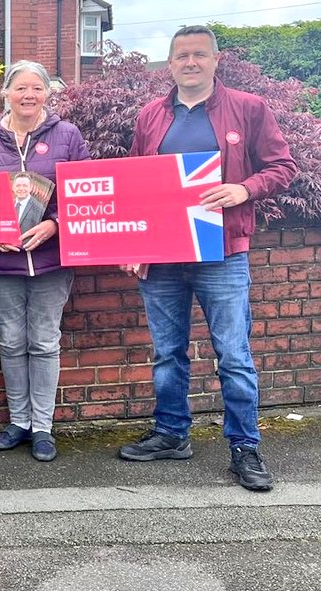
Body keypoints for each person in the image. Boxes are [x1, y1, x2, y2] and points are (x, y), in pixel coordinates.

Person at [118, 26, 296, 491]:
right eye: (182, 56)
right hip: (162, 256)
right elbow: (136, 182)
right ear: (170, 64)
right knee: (167, 354)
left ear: (217, 60)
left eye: (199, 54)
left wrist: (244, 189)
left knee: (233, 355)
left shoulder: (249, 108)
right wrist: (134, 244)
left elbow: (283, 166)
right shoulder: (151, 115)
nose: (190, 62)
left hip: (223, 254)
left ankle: (244, 446)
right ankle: (171, 433)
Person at [0, 60, 91, 462]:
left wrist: (54, 224)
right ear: (5, 93)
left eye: (36, 88)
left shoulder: (68, 136)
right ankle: (19, 422)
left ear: (47, 93)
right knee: (10, 342)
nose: (28, 95)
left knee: (43, 342)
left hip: (51, 262)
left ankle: (42, 427)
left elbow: (85, 192)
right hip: (3, 264)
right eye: (20, 88)